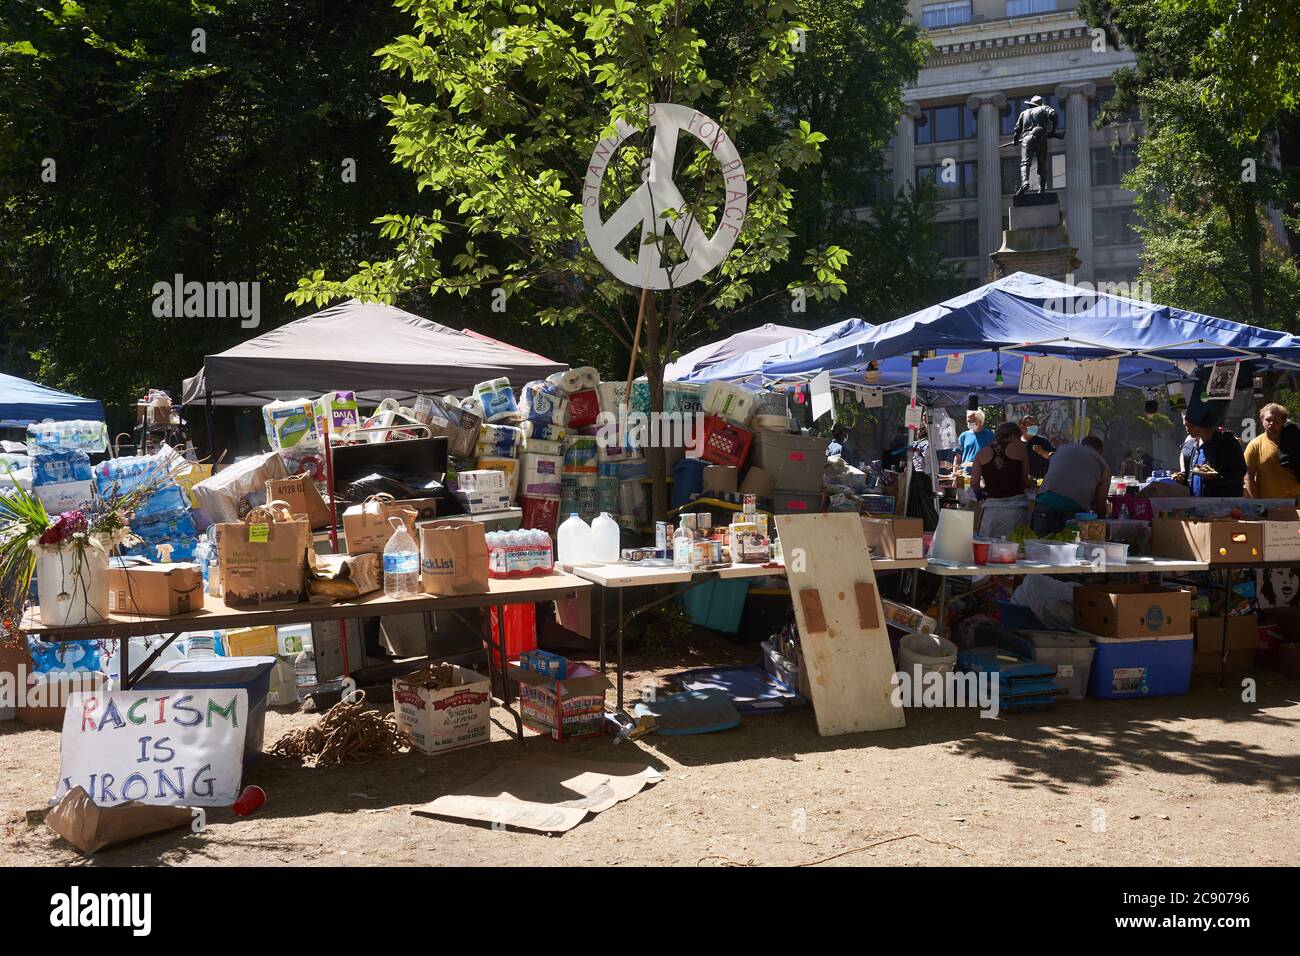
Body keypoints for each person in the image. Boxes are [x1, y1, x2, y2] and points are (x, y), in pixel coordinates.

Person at [1030, 435, 1111, 536]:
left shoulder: (1064, 449)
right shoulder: (1103, 465)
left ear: (1082, 444)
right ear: (1100, 451)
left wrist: (1041, 452)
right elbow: (1100, 506)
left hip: (1044, 504)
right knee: (1068, 549)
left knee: (1038, 548)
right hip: (1073, 512)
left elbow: (1049, 455)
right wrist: (1104, 528)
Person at [971, 422, 1031, 538]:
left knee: (989, 549)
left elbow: (974, 483)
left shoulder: (981, 453)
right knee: (1014, 549)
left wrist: (980, 495)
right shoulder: (1020, 448)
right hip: (1015, 508)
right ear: (1015, 435)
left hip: (991, 509)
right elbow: (1024, 480)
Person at [1174, 421, 1247, 497]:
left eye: (1190, 425)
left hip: (1220, 505)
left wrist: (1217, 478)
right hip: (1195, 504)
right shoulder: (1190, 445)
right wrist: (1182, 478)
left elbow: (1239, 472)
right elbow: (1190, 478)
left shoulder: (1227, 441)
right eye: (1185, 425)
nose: (1187, 429)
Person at [1244, 403, 1300, 499]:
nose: (1271, 423)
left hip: (1297, 502)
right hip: (1270, 505)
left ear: (1283, 421)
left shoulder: (1296, 441)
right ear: (1262, 420)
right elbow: (1248, 478)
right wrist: (1259, 504)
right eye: (1268, 420)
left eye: (1276, 420)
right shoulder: (1255, 445)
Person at [1018, 415, 1054, 480]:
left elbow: (1053, 457)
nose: (1033, 427)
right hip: (1022, 482)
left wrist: (1042, 452)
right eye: (1030, 425)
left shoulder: (1042, 441)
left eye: (1035, 425)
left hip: (1041, 481)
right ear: (1022, 427)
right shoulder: (1016, 443)